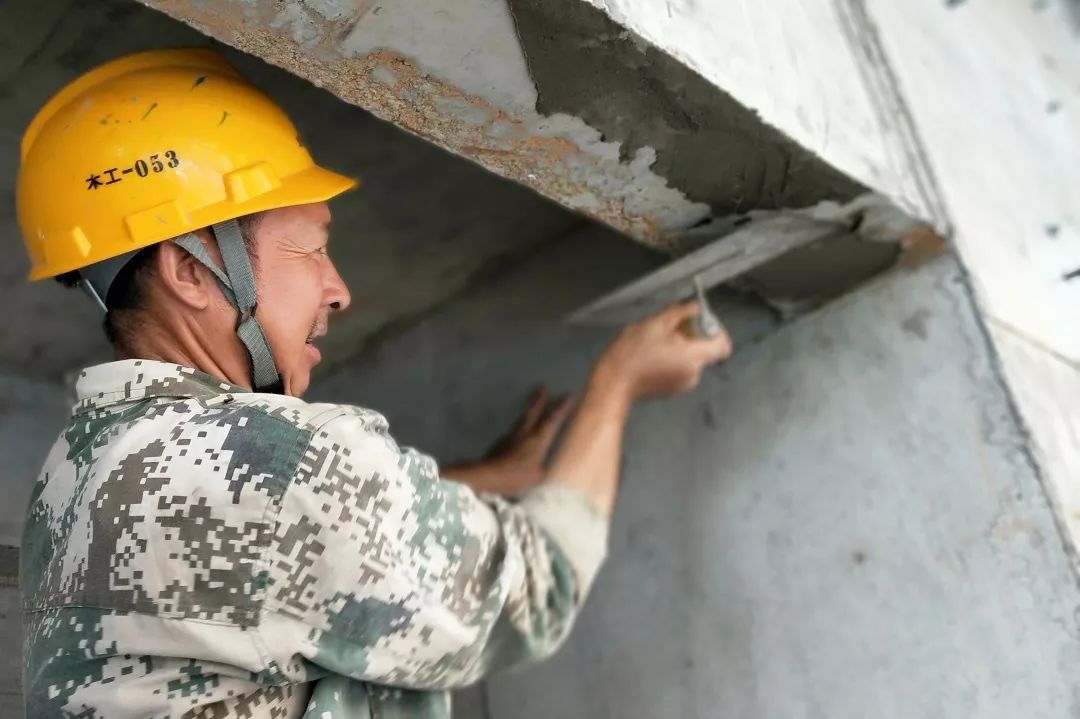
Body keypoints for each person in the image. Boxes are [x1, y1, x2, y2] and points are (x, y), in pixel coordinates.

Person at [17, 49, 732, 718]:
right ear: (191, 272)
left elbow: (270, 548)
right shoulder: (272, 459)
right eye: (312, 248)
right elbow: (536, 589)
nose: (339, 289)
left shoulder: (72, 481)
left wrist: (487, 477)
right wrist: (620, 380)